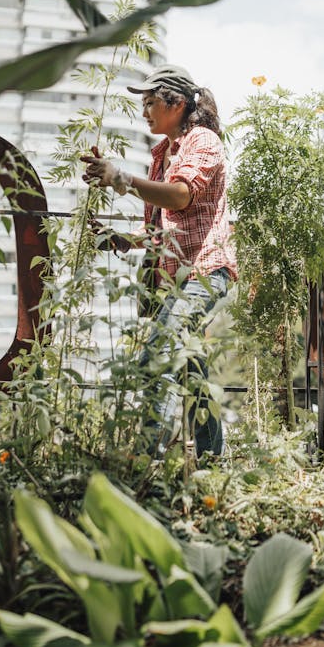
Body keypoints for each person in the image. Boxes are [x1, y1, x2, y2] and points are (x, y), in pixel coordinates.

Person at [81, 64, 236, 461]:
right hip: (174, 274)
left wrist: (121, 179)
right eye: (144, 104)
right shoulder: (162, 153)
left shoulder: (203, 142)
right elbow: (160, 228)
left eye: (151, 103)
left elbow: (181, 196)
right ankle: (212, 461)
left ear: (177, 103)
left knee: (161, 351)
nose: (145, 112)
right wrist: (119, 240)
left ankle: (144, 461)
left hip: (204, 268)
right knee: (191, 370)